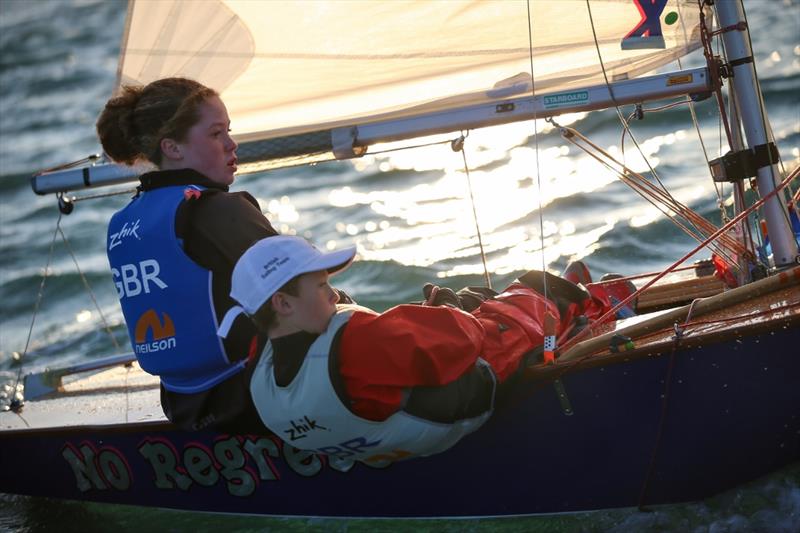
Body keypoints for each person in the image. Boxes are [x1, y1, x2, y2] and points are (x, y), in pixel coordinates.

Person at [225, 235, 597, 466]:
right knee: (527, 300)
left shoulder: (259, 367)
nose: (334, 294)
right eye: (322, 286)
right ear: (283, 304)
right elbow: (464, 336)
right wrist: (451, 313)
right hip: (472, 387)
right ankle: (588, 299)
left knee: (461, 305)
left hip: (384, 442)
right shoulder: (355, 342)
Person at [98, 77, 279, 433]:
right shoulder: (217, 210)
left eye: (229, 131)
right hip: (256, 401)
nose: (231, 144)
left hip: (184, 407)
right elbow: (309, 295)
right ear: (173, 147)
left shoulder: (123, 225)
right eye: (216, 134)